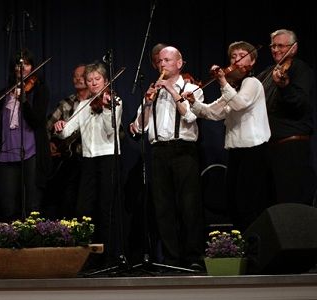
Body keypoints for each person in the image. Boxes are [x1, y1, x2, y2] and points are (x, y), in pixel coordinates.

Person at [129, 46, 205, 270]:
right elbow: (139, 128)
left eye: (168, 60)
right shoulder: (153, 91)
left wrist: (172, 91)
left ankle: (193, 257)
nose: (163, 64)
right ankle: (171, 259)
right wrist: (148, 103)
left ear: (179, 63)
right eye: (160, 61)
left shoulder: (192, 88)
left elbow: (190, 116)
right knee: (163, 208)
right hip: (159, 152)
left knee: (189, 206)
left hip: (184, 151)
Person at [183, 41, 272, 231]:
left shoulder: (252, 83)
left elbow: (240, 104)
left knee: (248, 202)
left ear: (253, 60)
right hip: (236, 150)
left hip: (254, 150)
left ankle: (254, 247)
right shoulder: (234, 88)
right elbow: (213, 112)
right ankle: (241, 247)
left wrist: (223, 81)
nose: (236, 59)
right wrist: (193, 103)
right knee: (233, 202)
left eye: (242, 54)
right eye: (233, 56)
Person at [53, 62, 123, 264]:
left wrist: (108, 109)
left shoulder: (115, 100)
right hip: (88, 160)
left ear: (105, 81)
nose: (93, 84)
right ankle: (88, 257)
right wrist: (59, 127)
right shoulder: (82, 105)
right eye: (90, 80)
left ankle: (109, 257)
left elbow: (111, 131)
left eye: (97, 80)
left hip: (109, 158)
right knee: (84, 209)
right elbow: (67, 131)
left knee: (106, 208)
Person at [0, 48, 51, 221]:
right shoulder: (7, 91)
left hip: (31, 152)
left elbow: (36, 120)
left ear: (32, 66)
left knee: (32, 205)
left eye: (26, 64)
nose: (22, 68)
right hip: (7, 153)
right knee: (8, 205)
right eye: (18, 65)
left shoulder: (40, 90)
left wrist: (24, 101)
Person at [257, 29, 317, 206]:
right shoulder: (268, 72)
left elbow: (300, 104)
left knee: (290, 203)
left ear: (294, 48)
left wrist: (285, 87)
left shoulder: (301, 69)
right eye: (273, 46)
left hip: (291, 146)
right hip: (270, 147)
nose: (276, 49)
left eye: (281, 45)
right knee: (271, 203)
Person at [45, 64, 90, 219]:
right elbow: (47, 127)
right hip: (70, 160)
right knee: (67, 200)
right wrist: (51, 142)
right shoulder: (66, 103)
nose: (78, 79)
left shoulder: (97, 102)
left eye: (82, 75)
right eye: (75, 76)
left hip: (91, 159)